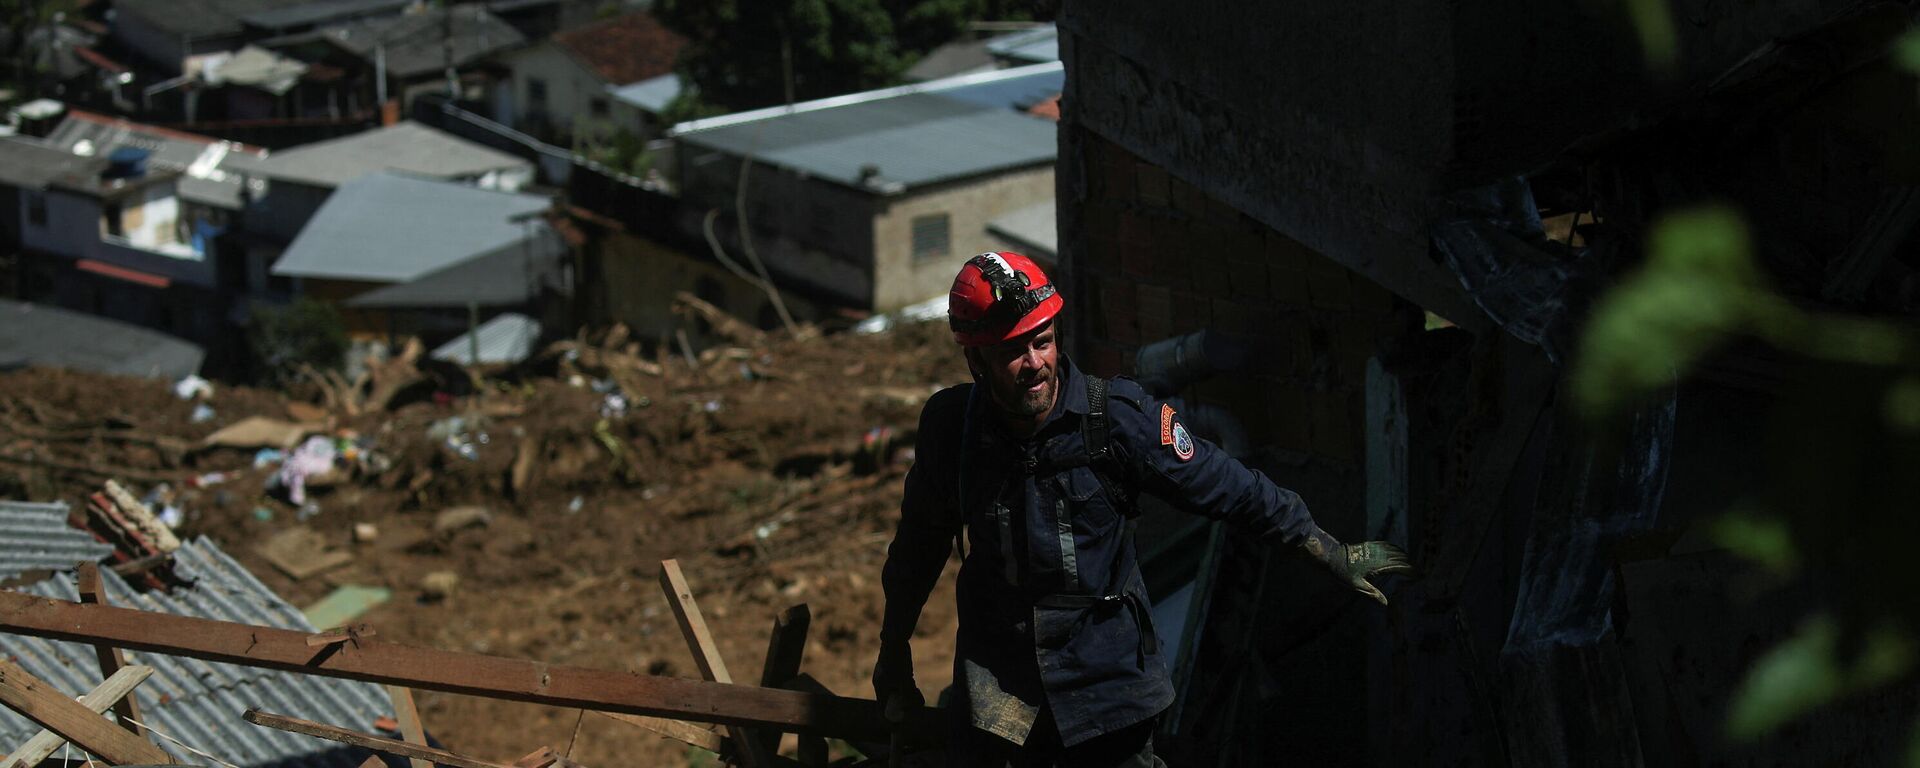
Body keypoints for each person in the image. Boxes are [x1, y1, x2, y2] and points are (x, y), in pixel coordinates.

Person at [873, 252, 1412, 767]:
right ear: (975, 360)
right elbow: (918, 547)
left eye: (1042, 340)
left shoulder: (1118, 422)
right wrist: (893, 649)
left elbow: (1233, 487)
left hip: (1106, 687)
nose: (1034, 363)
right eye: (1013, 350)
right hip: (1001, 689)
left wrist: (1327, 549)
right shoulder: (952, 431)